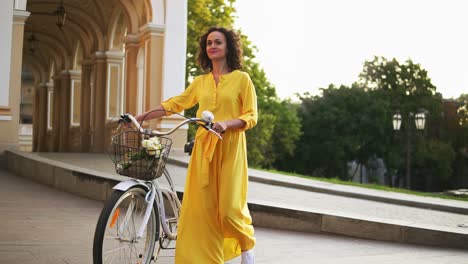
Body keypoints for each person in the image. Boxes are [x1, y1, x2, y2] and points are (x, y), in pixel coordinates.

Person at [135, 26, 257, 264]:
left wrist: (226, 124)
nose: (212, 46)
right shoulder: (200, 82)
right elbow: (176, 103)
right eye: (209, 42)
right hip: (204, 148)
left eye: (218, 42)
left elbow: (251, 115)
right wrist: (141, 117)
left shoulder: (242, 79)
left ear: (228, 47)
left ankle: (246, 246)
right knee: (201, 209)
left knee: (230, 209)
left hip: (230, 147)